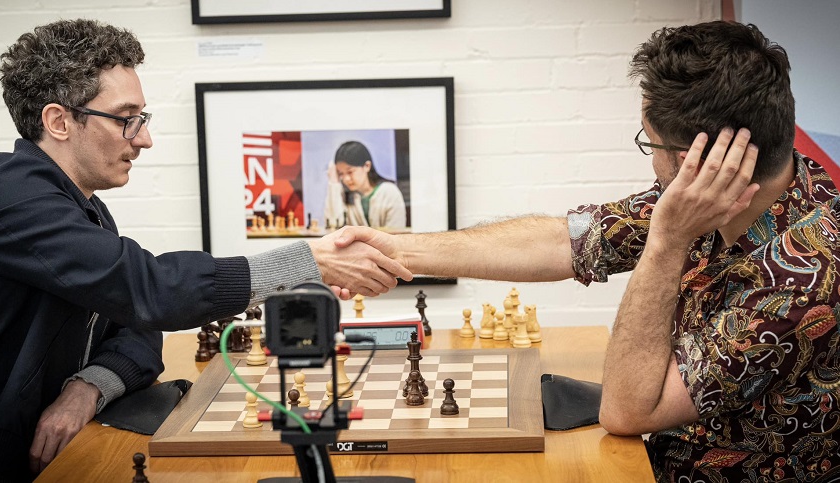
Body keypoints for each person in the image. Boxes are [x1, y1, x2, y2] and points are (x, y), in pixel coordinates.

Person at [336, 21, 840, 482]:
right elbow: (568, 241)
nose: (650, 161)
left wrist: (667, 241)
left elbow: (626, 412)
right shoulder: (723, 193)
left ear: (698, 162)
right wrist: (396, 251)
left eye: (650, 144)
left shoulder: (805, 275)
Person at [0, 19, 411, 482]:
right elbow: (154, 292)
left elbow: (140, 326)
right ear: (59, 121)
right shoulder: (4, 192)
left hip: (49, 457)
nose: (144, 138)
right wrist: (312, 261)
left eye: (142, 119)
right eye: (126, 119)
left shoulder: (86, 209)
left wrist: (87, 388)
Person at [324, 140, 407, 230]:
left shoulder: (389, 193)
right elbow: (332, 225)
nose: (345, 179)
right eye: (341, 173)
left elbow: (396, 233)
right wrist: (334, 183)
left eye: (350, 172)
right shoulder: (345, 195)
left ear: (367, 166)